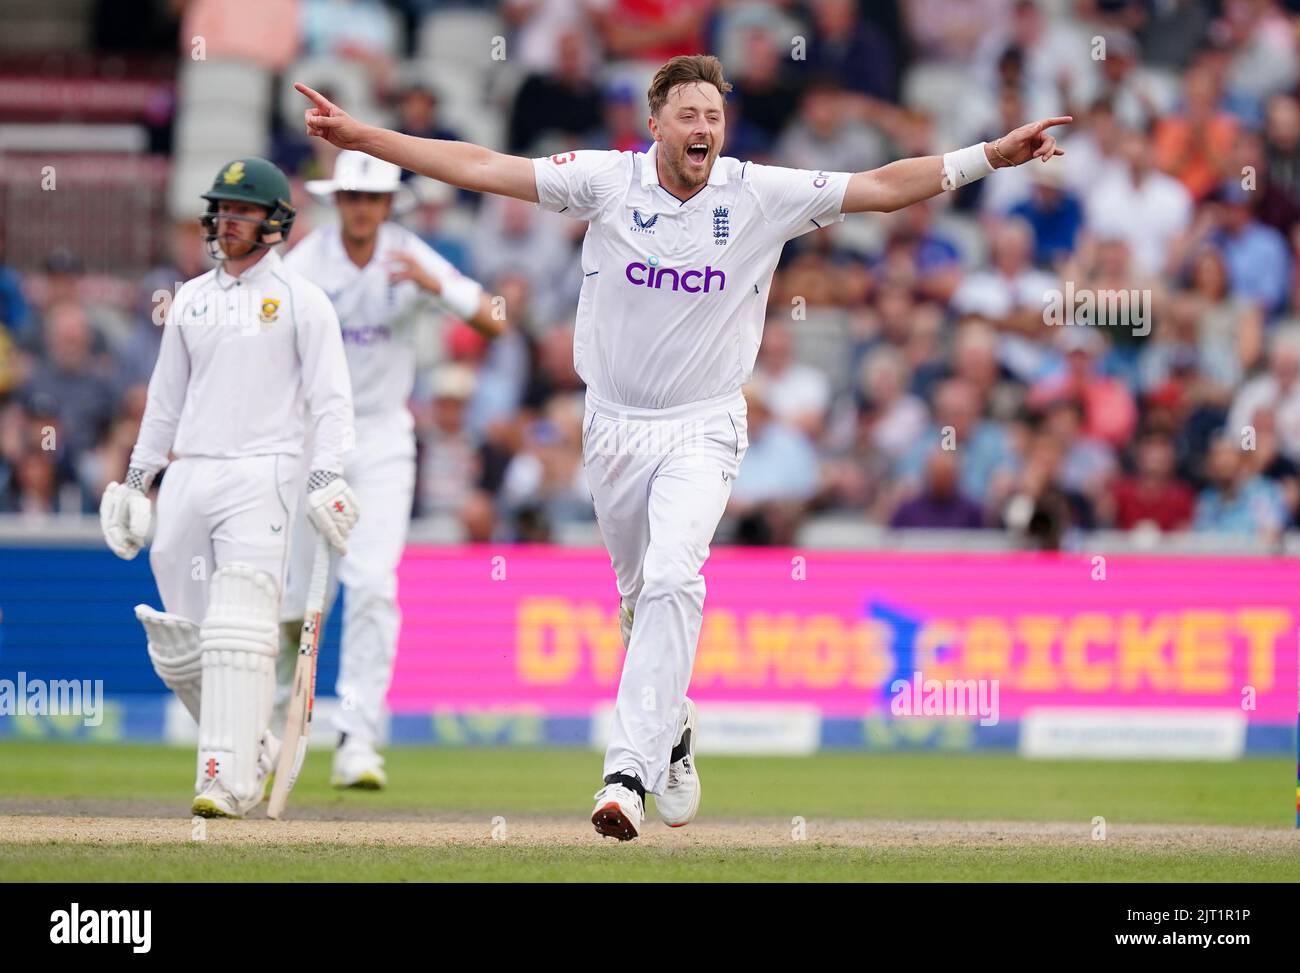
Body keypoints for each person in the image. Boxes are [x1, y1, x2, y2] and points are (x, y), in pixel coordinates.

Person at [293, 55, 1070, 841]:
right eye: (689, 115)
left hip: (703, 423)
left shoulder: (757, 193)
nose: (704, 128)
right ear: (654, 124)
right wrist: (361, 136)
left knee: (672, 577)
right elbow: (481, 166)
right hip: (613, 426)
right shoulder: (605, 180)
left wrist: (990, 157)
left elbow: (879, 186)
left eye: (714, 116)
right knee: (638, 604)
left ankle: (625, 772)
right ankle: (675, 729)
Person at [99, 157, 358, 819]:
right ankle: (256, 745)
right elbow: (164, 400)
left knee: (238, 627)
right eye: (222, 209)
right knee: (182, 636)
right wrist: (137, 478)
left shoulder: (304, 300)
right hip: (190, 470)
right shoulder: (190, 297)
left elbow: (332, 403)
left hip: (264, 471)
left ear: (274, 221)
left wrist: (327, 474)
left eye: (242, 210)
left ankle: (226, 777)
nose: (228, 220)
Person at [277, 150, 504, 789]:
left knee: (374, 584)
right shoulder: (306, 263)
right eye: (351, 196)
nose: (360, 207)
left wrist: (436, 288)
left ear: (387, 204)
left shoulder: (409, 253)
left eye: (371, 198)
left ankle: (358, 738)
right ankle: (270, 733)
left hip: (381, 440)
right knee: (299, 603)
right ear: (337, 200)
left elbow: (494, 320)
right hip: (312, 437)